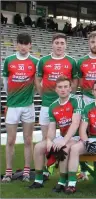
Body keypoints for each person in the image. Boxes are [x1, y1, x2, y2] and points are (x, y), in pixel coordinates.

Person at [28, 76, 83, 192]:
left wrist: (64, 140)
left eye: (65, 87)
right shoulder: (53, 106)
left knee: (63, 147)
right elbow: (52, 128)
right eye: (60, 87)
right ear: (56, 89)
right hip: (63, 136)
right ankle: (38, 180)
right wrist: (49, 140)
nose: (63, 89)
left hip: (78, 136)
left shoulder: (76, 100)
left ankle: (62, 181)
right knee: (38, 147)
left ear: (70, 88)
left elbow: (75, 123)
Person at [1, 33, 39, 182]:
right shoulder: (9, 60)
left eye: (26, 43)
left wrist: (29, 95)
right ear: (17, 44)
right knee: (10, 140)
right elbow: (5, 83)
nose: (23, 46)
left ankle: (26, 171)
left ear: (30, 45)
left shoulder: (35, 61)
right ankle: (8, 172)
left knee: (28, 140)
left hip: (28, 106)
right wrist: (13, 96)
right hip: (12, 106)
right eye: (20, 43)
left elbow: (36, 84)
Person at [35, 33, 78, 141]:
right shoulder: (43, 61)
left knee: (68, 138)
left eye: (62, 43)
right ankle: (48, 158)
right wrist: (42, 95)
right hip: (47, 104)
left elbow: (75, 81)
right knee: (46, 139)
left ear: (66, 45)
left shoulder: (72, 61)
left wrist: (69, 96)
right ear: (52, 44)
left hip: (67, 106)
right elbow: (37, 80)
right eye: (57, 43)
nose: (59, 46)